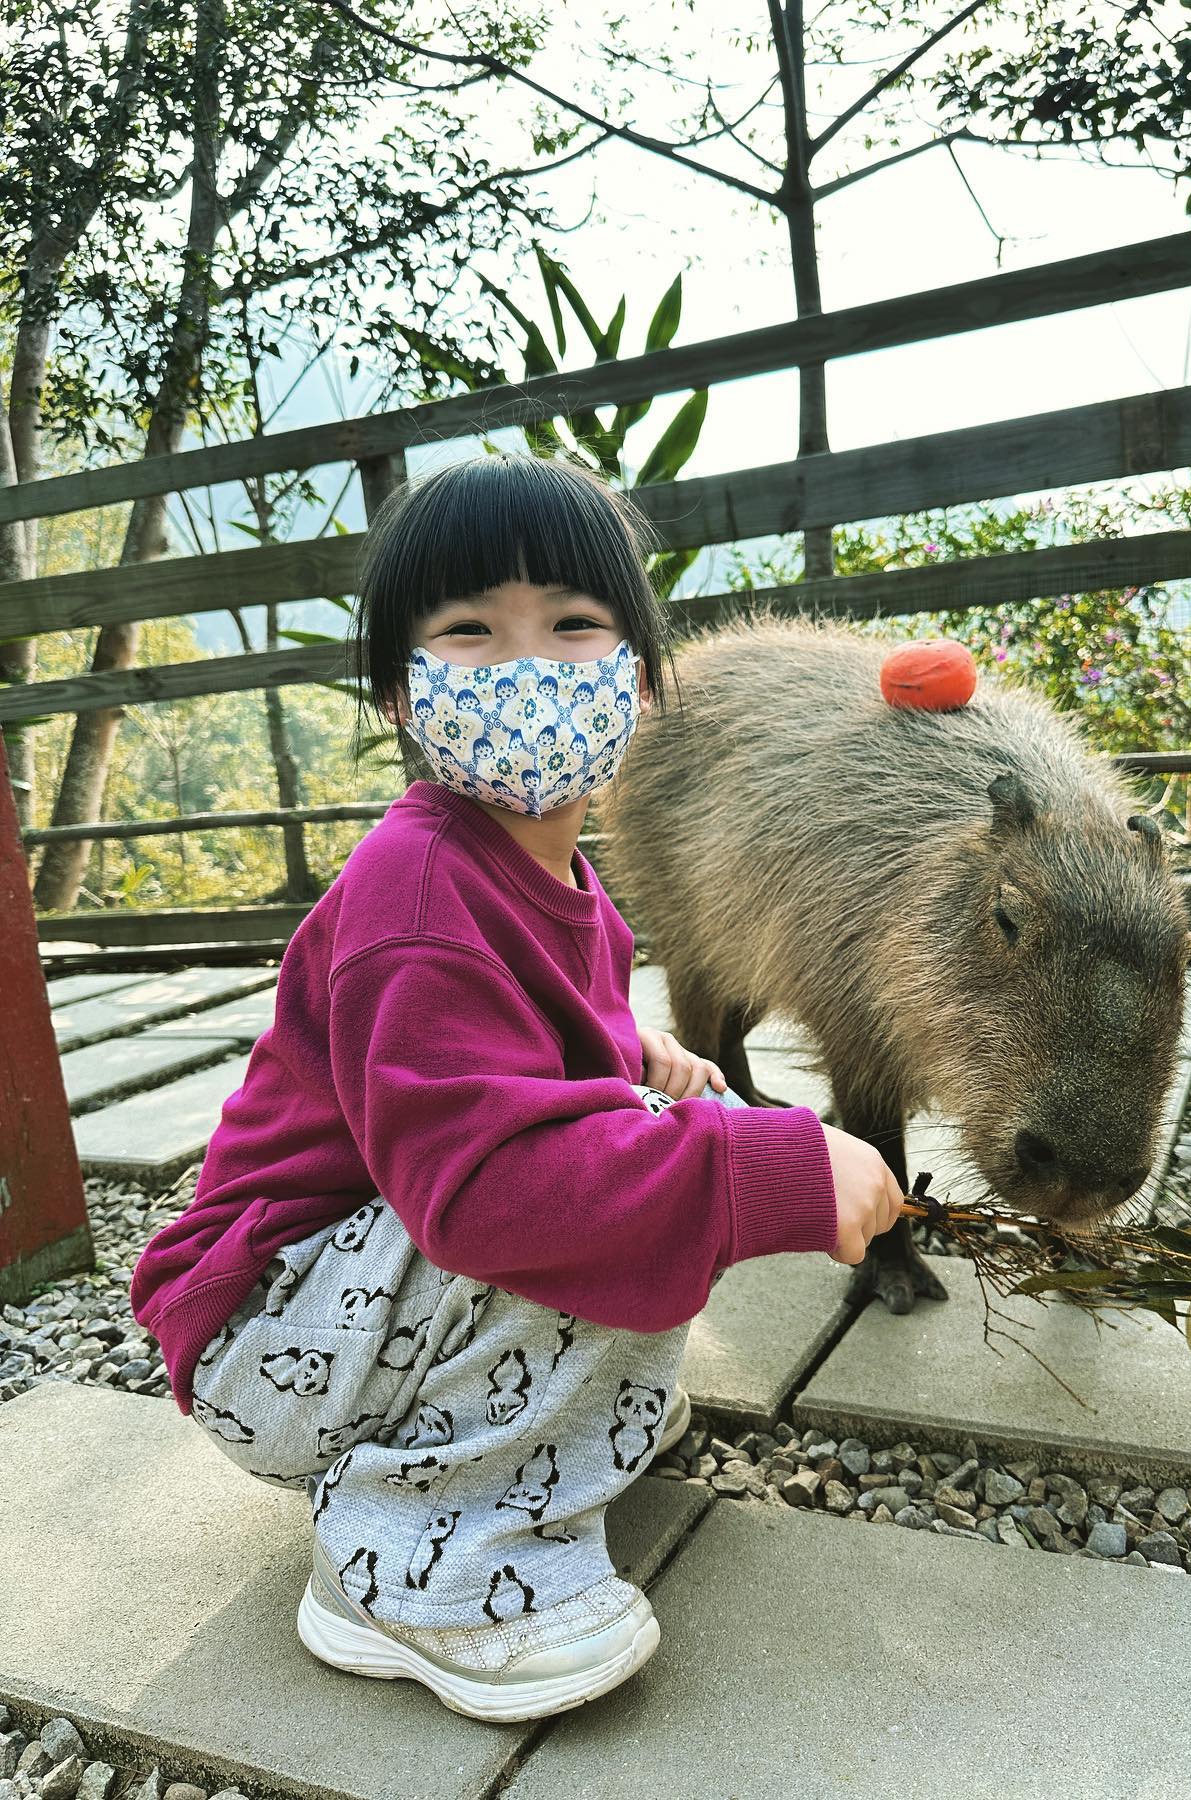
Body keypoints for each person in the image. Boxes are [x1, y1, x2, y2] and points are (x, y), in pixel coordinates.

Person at [128, 449, 905, 1725]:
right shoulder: (417, 894)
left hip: (348, 1292)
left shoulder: (558, 883)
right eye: (470, 632)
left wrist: (644, 1066)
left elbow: (521, 1055)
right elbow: (486, 1188)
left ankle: (521, 1443)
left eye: (575, 626)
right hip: (264, 1326)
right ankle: (411, 1570)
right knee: (615, 1186)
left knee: (641, 1142)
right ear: (399, 689)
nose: (527, 667)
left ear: (642, 680)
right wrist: (763, 1162)